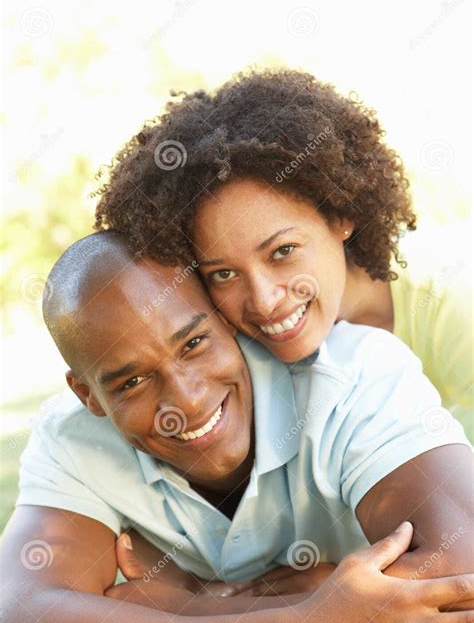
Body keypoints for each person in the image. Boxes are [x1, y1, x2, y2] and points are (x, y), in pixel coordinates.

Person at [2, 231, 473, 623]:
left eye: (193, 344)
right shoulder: (72, 440)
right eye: (134, 381)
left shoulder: (352, 374)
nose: (185, 399)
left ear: (225, 319)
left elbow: (464, 575)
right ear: (87, 394)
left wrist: (188, 606)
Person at [94, 69, 473, 442]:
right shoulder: (223, 349)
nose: (264, 300)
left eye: (283, 251)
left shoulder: (450, 301)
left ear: (340, 215)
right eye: (223, 273)